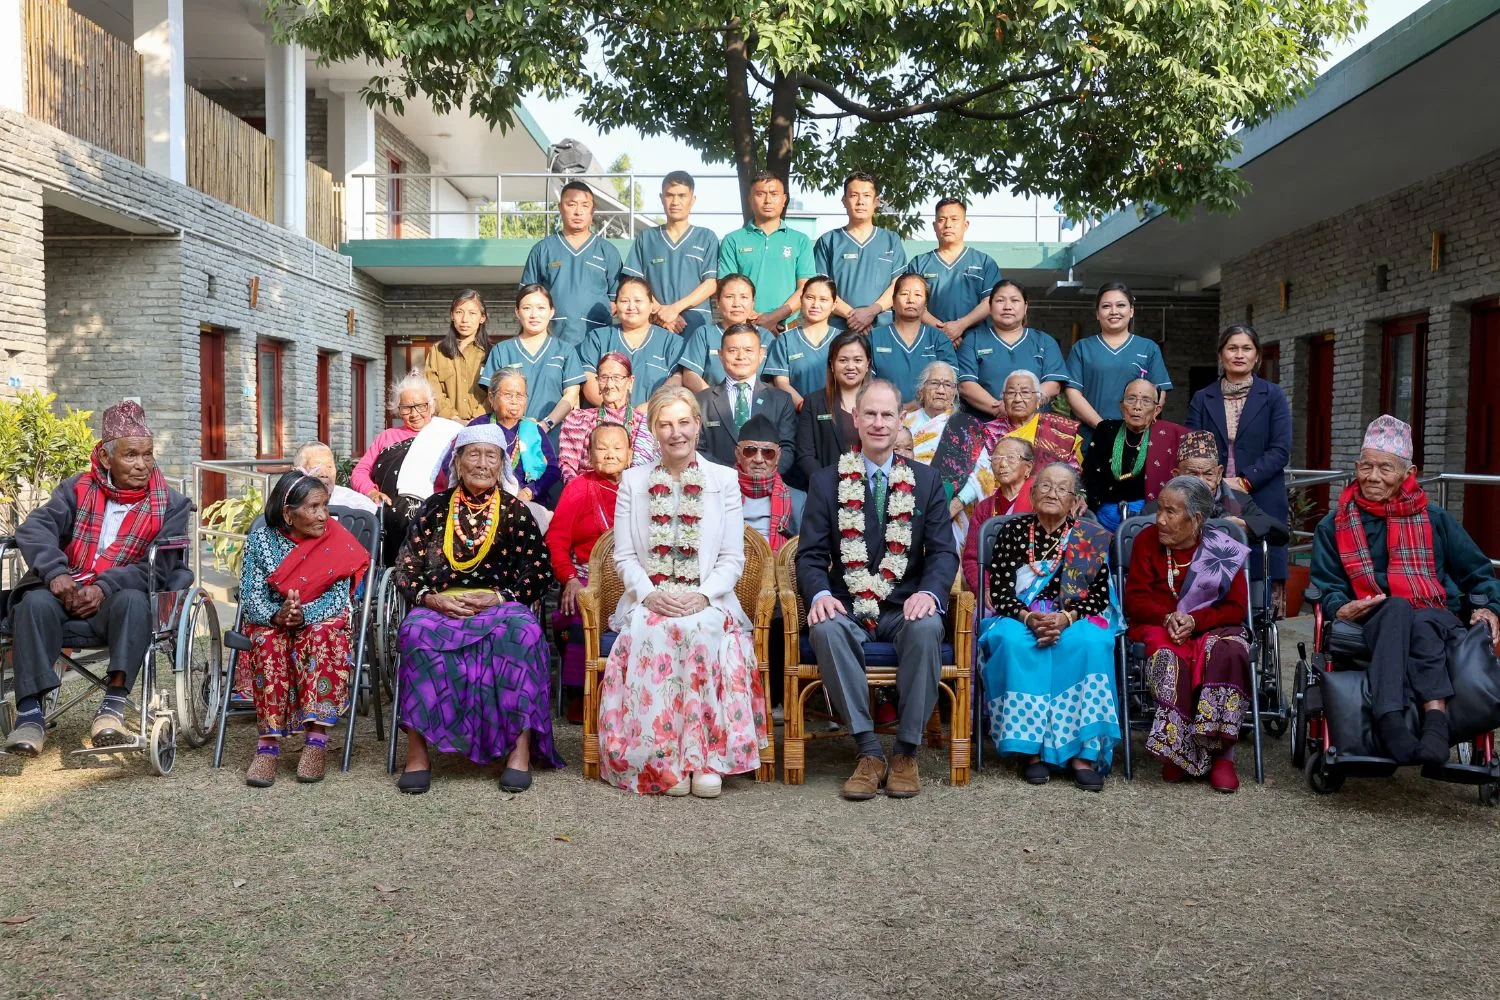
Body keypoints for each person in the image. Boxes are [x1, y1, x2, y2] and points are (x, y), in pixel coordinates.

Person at [597, 387, 769, 797]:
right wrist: (650, 594)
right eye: (665, 424)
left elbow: (732, 558)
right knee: (654, 631)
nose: (676, 433)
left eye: (684, 422)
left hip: (708, 596)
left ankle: (705, 758)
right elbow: (623, 556)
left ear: (697, 424)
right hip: (650, 596)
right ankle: (662, 759)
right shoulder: (633, 481)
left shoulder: (724, 480)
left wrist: (702, 596)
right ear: (654, 431)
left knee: (704, 629)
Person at [1, 401, 193, 760]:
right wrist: (57, 574)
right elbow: (35, 527)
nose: (142, 464)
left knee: (136, 601)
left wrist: (104, 586)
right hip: (66, 594)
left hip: (118, 604)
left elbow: (162, 566)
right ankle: (29, 714)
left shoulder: (171, 503)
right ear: (106, 458)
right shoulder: (77, 489)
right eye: (131, 455)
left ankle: (113, 707)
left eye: (148, 454)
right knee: (33, 602)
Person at [797, 379, 959, 800]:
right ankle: (868, 751)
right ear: (856, 418)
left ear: (900, 419)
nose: (879, 422)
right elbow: (810, 556)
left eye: (888, 414)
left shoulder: (925, 481)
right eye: (870, 413)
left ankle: (905, 753)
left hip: (905, 607)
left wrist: (931, 594)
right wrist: (819, 595)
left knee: (927, 629)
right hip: (847, 605)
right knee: (827, 628)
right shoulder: (827, 482)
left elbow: (943, 552)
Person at [1310, 415, 1500, 765]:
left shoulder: (1436, 519)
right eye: (1366, 466)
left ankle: (1433, 723)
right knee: (1398, 609)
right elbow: (1327, 584)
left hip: (1434, 615)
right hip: (1370, 617)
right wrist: (1340, 607)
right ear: (1356, 467)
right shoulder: (1332, 524)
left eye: (1386, 468)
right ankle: (1394, 720)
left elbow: (1479, 571)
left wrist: (1488, 606)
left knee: (1422, 618)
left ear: (1407, 473)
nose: (1373, 477)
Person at [391, 423, 562, 795]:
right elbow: (405, 568)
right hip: (440, 604)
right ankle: (417, 753)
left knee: (524, 633)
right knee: (415, 632)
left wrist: (499, 597)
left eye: (491, 455)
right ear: (458, 461)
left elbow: (539, 571)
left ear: (502, 463)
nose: (482, 464)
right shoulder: (435, 509)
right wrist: (431, 599)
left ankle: (519, 752)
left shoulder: (516, 512)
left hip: (499, 603)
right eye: (474, 454)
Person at [977, 463, 1119, 790]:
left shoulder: (1088, 537)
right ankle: (1031, 751)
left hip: (1073, 616)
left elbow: (1097, 597)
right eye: (1045, 486)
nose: (1052, 493)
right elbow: (999, 592)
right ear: (1032, 492)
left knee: (1091, 642)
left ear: (1074, 500)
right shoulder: (1012, 532)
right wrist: (1029, 618)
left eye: (1062, 488)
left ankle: (1083, 753)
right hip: (1021, 615)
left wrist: (1064, 618)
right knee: (1013, 641)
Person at [237, 471, 370, 787]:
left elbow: (339, 597)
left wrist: (302, 614)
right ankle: (268, 745)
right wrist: (278, 615)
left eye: (325, 505)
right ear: (288, 513)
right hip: (272, 620)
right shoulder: (261, 540)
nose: (324, 515)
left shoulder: (336, 540)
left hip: (321, 619)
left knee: (321, 635)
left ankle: (316, 740)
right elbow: (251, 596)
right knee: (268, 640)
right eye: (314, 507)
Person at [1124, 476, 1252, 793]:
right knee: (1169, 656)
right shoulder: (1146, 542)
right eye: (1160, 509)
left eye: (1170, 512)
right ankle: (1177, 750)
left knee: (1229, 651)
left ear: (1195, 519)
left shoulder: (1221, 550)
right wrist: (1167, 616)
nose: (1160, 519)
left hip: (1210, 625)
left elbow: (1235, 608)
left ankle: (1223, 755)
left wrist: (1194, 620)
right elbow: (1135, 598)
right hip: (1159, 624)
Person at [1187, 323, 1292, 596]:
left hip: (1261, 492)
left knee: (1258, 579)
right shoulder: (1203, 398)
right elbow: (1193, 448)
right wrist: (1215, 483)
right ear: (1221, 354)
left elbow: (1281, 449)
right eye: (1232, 348)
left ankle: (1257, 631)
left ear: (1257, 356)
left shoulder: (1273, 396)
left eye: (1247, 348)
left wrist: (1245, 480)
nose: (1239, 354)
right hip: (1212, 495)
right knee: (1211, 579)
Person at [547, 422, 630, 724]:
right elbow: (556, 540)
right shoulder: (579, 487)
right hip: (587, 577)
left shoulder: (641, 486)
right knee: (578, 611)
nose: (610, 454)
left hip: (632, 579)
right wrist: (568, 578)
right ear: (589, 454)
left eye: (617, 447)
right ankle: (583, 698)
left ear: (630, 453)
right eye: (602, 447)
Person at [350, 371, 463, 563]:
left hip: (436, 512)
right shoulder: (387, 437)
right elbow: (360, 472)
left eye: (421, 406)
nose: (414, 413)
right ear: (397, 409)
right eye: (406, 408)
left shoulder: (448, 434)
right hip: (389, 515)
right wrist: (371, 493)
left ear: (432, 405)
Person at [1144, 431, 1289, 574]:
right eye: (1192, 474)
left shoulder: (1237, 501)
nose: (1201, 482)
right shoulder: (1156, 509)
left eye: (1208, 474)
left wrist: (1240, 526)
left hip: (1224, 585)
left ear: (1219, 474)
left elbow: (1279, 532)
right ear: (1176, 475)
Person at [1064, 282, 1172, 438]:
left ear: (1131, 311)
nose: (1114, 311)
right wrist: (1103, 427)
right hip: (1090, 437)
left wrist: (1138, 424)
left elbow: (1159, 394)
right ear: (1097, 313)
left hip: (1136, 437)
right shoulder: (1082, 348)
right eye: (1106, 306)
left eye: (1121, 305)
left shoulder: (1148, 348)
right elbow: (1072, 394)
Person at [520, 180, 623, 345]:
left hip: (596, 341)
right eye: (571, 204)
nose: (578, 212)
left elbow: (616, 300)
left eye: (584, 205)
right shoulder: (542, 250)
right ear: (560, 207)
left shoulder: (607, 251)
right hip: (551, 341)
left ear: (593, 210)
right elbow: (528, 298)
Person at [478, 283, 582, 438]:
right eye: (527, 308)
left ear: (551, 312)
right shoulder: (501, 350)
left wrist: (546, 424)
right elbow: (492, 396)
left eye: (541, 308)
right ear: (517, 312)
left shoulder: (565, 351)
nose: (534, 315)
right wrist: (522, 424)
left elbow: (571, 395)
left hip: (554, 437)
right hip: (510, 435)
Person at [1082, 377, 1186, 532]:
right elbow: (1088, 474)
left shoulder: (1168, 436)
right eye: (1131, 399)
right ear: (1122, 406)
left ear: (1156, 410)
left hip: (1148, 518)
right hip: (1102, 516)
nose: (1137, 406)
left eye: (1146, 401)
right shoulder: (1106, 430)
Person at [694, 324, 797, 478]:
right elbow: (698, 448)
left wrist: (763, 475)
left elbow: (787, 448)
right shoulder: (701, 400)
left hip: (768, 488)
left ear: (761, 354)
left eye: (748, 350)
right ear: (721, 355)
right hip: (718, 487)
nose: (741, 356)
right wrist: (730, 476)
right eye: (733, 350)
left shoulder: (781, 400)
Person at [622, 170, 719, 334]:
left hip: (696, 324)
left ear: (692, 200)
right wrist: (660, 312)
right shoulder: (646, 238)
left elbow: (711, 284)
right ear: (661, 198)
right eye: (669, 195)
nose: (675, 202)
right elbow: (634, 283)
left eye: (682, 195)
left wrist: (674, 309)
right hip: (655, 323)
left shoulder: (706, 237)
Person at [717, 171, 816, 331]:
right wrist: (754, 317)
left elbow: (806, 288)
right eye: (760, 194)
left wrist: (774, 318)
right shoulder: (733, 240)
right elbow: (725, 286)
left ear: (784, 199)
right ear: (750, 199)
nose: (768, 200)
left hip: (786, 329)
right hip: (744, 328)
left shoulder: (800, 241)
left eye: (774, 194)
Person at [956, 280, 1068, 418]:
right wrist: (999, 409)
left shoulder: (1044, 341)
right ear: (990, 307)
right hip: (984, 427)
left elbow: (1053, 384)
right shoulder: (973, 341)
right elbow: (965, 385)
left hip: (1034, 427)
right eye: (1000, 300)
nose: (1007, 306)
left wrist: (1024, 407)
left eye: (1015, 300)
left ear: (1026, 307)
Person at [814, 173, 907, 333]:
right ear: (844, 201)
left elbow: (898, 285)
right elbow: (820, 288)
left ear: (876, 201)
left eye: (866, 196)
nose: (860, 202)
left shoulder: (891, 240)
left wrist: (871, 312)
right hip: (838, 330)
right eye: (854, 195)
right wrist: (854, 316)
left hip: (882, 329)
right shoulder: (828, 241)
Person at [900, 361, 988, 530]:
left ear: (955, 392)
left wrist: (956, 503)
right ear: (922, 389)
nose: (941, 390)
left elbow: (984, 472)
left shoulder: (968, 427)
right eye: (934, 383)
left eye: (948, 385)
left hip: (953, 515)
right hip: (905, 508)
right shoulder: (904, 422)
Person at [906, 198, 1003, 345]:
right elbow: (912, 303)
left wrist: (960, 325)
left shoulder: (984, 262)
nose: (948, 225)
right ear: (934, 225)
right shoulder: (919, 263)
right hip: (929, 342)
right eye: (942, 219)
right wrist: (942, 331)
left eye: (954, 219)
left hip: (975, 344)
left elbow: (990, 301)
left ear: (965, 225)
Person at [578, 276, 684, 408]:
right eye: (624, 301)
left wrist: (647, 410)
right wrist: (616, 411)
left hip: (653, 421)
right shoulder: (598, 338)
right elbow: (588, 380)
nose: (631, 306)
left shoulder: (672, 342)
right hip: (606, 422)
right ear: (616, 305)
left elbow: (677, 380)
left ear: (652, 306)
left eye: (638, 301)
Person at [556, 352, 659, 481]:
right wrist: (582, 494)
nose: (609, 385)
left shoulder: (644, 425)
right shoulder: (579, 420)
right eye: (604, 377)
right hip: (586, 495)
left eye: (616, 378)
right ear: (597, 381)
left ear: (630, 381)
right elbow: (567, 467)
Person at [465, 371, 560, 508]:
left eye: (520, 395)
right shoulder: (478, 427)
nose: (514, 401)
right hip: (481, 502)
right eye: (508, 395)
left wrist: (530, 491)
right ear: (491, 398)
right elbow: (455, 462)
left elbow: (552, 469)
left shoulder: (534, 431)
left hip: (527, 503)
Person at [676, 274, 783, 392]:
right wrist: (717, 401)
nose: (736, 304)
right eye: (729, 297)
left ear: (753, 302)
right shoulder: (704, 334)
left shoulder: (766, 337)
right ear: (717, 301)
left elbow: (775, 380)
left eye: (744, 297)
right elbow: (690, 375)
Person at [795, 330, 871, 489]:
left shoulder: (880, 401)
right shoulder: (814, 402)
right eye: (843, 360)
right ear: (832, 364)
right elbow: (805, 455)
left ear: (868, 363)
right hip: (827, 492)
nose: (851, 366)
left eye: (858, 360)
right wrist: (828, 485)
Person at [960, 437, 1037, 595]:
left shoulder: (1041, 503)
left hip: (1035, 589)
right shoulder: (984, 508)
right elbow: (971, 559)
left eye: (1011, 458)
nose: (1002, 464)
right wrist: (986, 588)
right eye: (996, 458)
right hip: (995, 590)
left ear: (1028, 467)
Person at [867, 273, 958, 402]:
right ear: (892, 302)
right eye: (904, 294)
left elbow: (949, 384)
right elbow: (867, 386)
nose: (910, 300)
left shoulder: (938, 339)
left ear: (926, 304)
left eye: (918, 295)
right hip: (884, 415)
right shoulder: (874, 337)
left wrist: (915, 408)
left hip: (930, 416)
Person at [980, 369, 1081, 468]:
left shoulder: (1059, 430)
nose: (1018, 399)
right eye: (1011, 393)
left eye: (1025, 393)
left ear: (1038, 400)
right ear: (1004, 400)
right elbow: (982, 472)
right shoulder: (989, 431)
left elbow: (1072, 472)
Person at [734, 412, 803, 552]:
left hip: (779, 571)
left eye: (768, 453)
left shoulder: (798, 500)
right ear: (738, 454)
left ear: (778, 457)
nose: (759, 459)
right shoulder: (721, 494)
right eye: (750, 451)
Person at [768, 276, 839, 408]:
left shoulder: (843, 340)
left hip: (837, 416)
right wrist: (805, 407)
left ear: (834, 305)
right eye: (810, 297)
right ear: (801, 300)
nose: (815, 305)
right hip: (797, 419)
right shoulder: (785, 340)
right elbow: (781, 382)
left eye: (823, 299)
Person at [423, 289, 493, 422]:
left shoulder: (493, 353)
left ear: (482, 318)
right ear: (451, 315)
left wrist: (476, 418)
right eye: (459, 312)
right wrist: (453, 418)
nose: (465, 319)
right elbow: (433, 389)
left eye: (472, 313)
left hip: (483, 424)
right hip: (446, 424)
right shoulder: (438, 351)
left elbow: (496, 391)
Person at [291, 441, 375, 513]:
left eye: (329, 466)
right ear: (297, 471)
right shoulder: (287, 501)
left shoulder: (356, 504)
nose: (324, 474)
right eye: (316, 467)